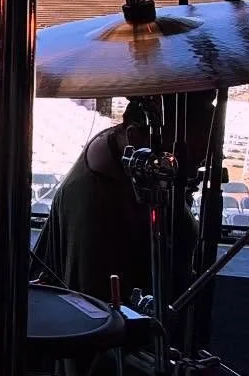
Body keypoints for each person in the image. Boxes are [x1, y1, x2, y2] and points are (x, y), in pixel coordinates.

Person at [33, 92, 217, 307]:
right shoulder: (95, 206)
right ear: (135, 138)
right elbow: (95, 312)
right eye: (185, 161)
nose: (193, 174)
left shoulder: (124, 151)